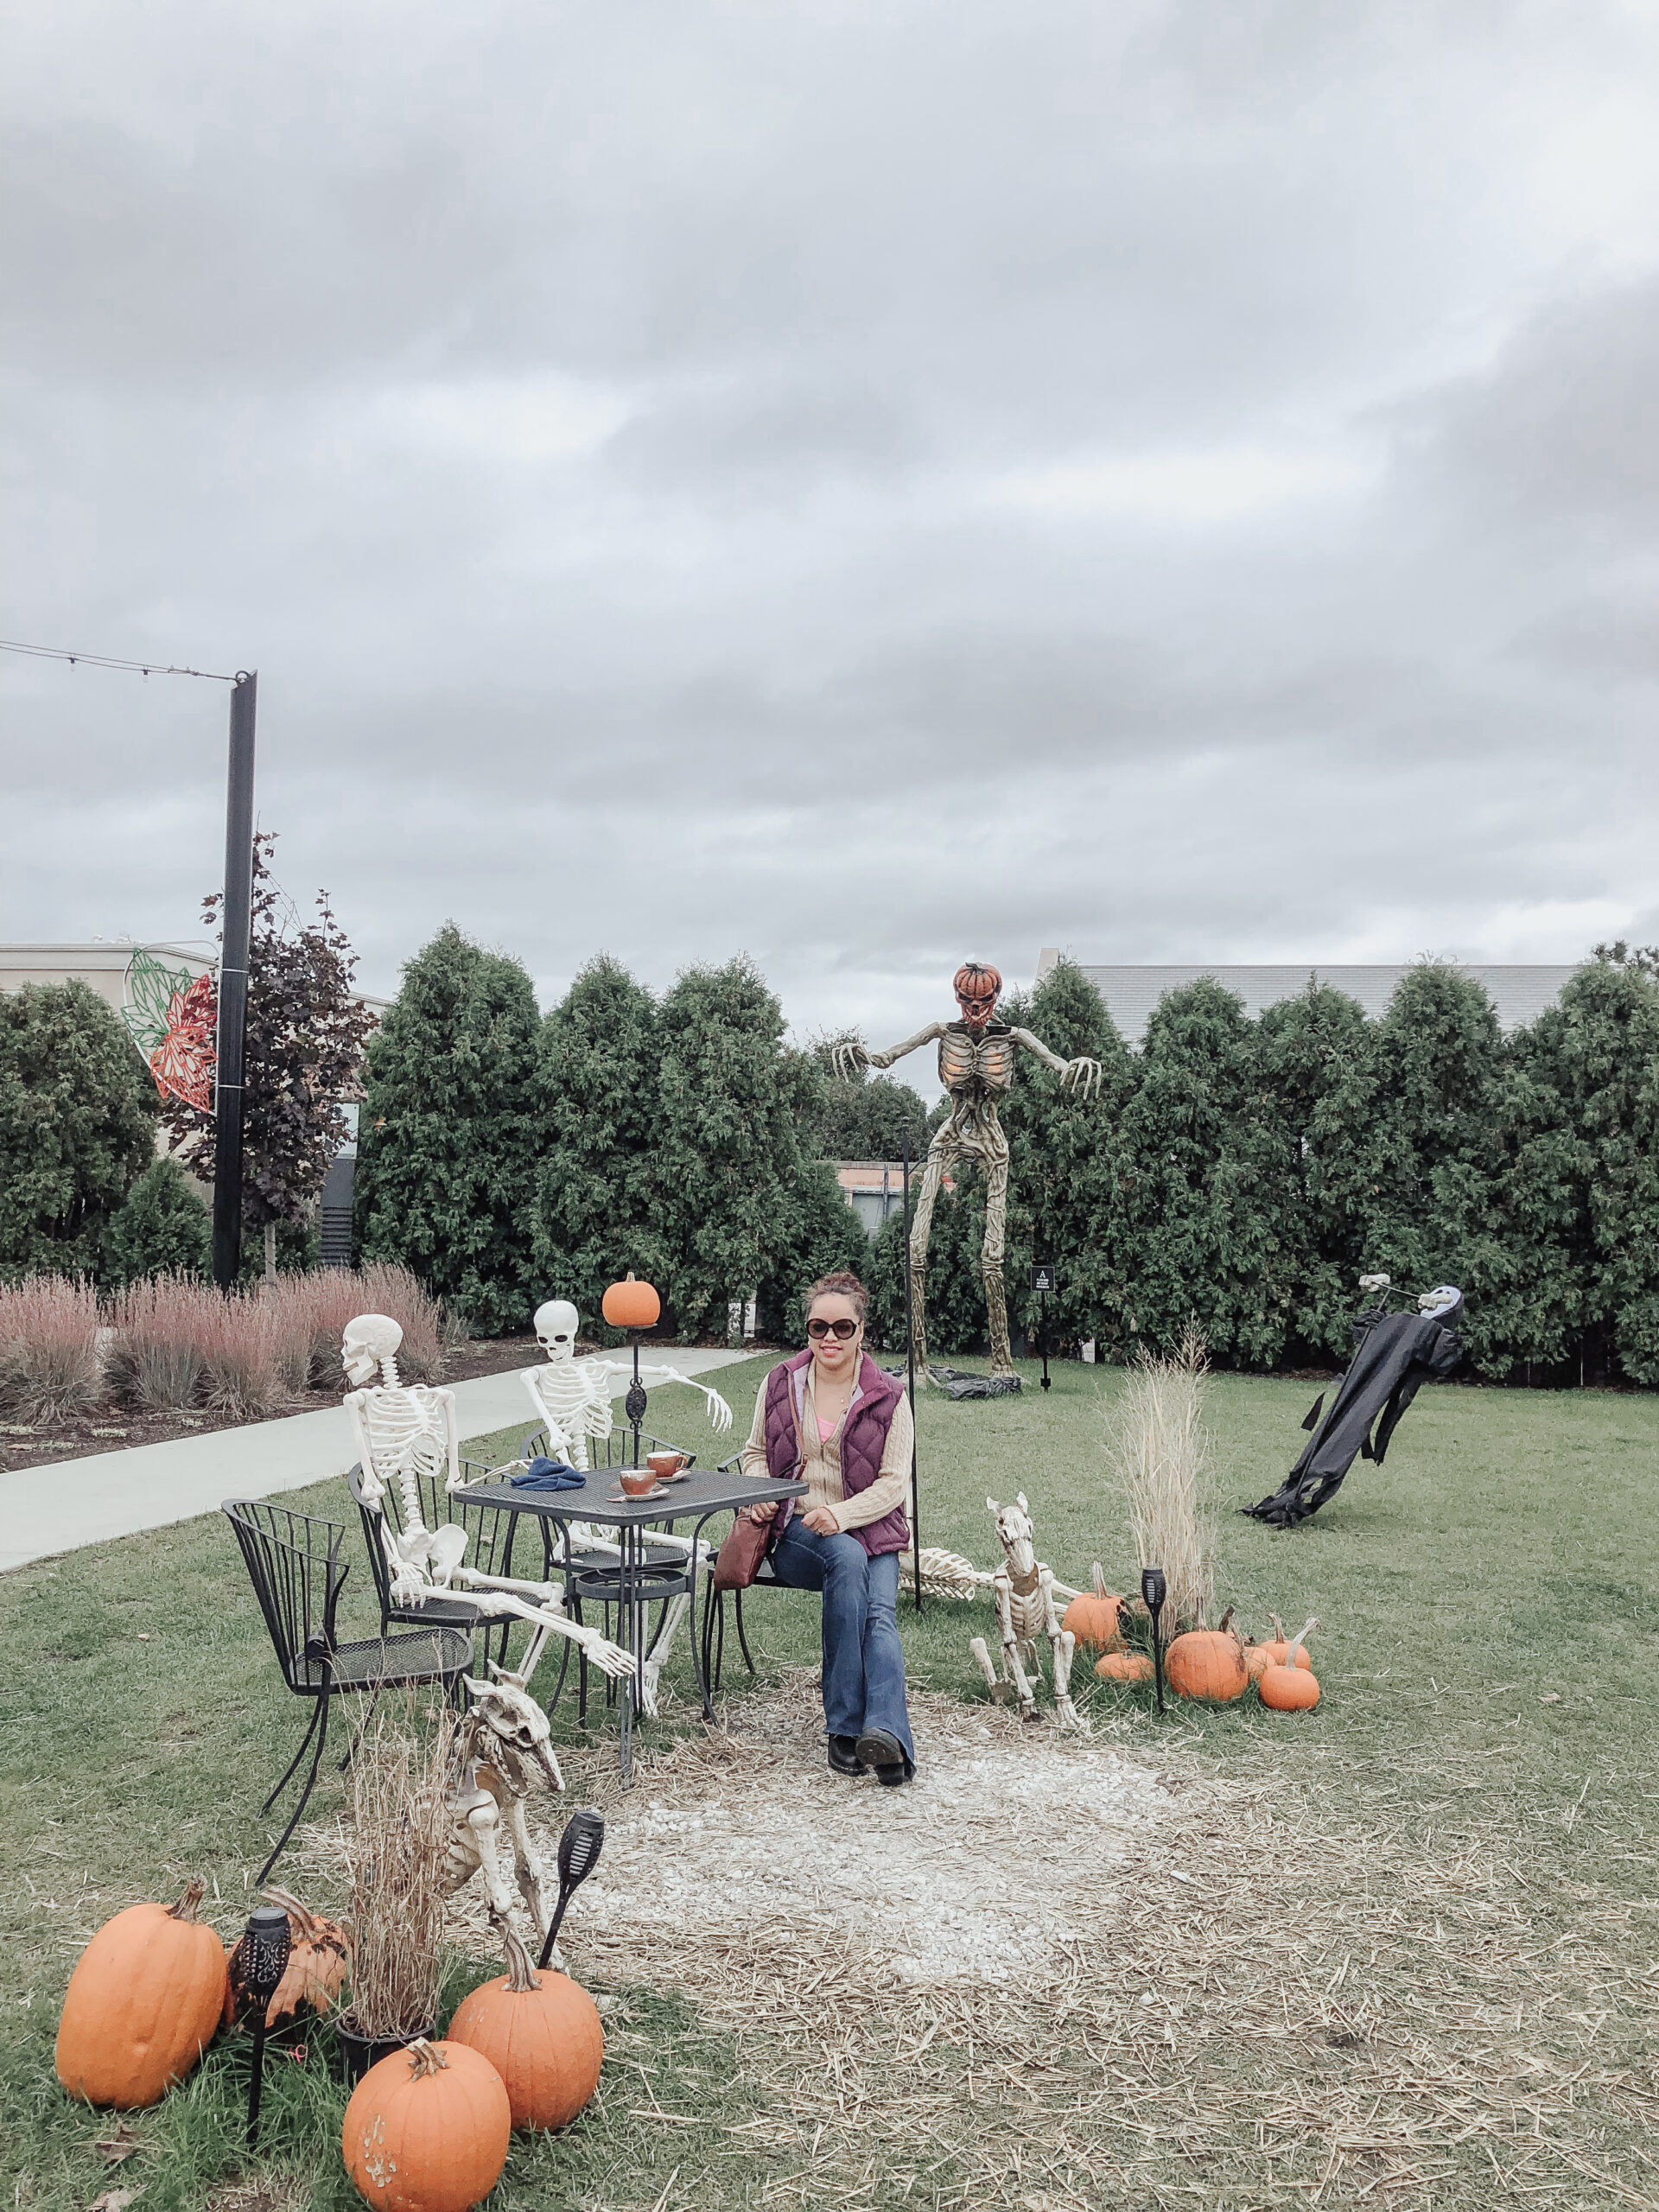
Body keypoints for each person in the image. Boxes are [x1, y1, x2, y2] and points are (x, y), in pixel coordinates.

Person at [740, 1270, 916, 1784]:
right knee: (843, 1557)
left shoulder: (889, 1395)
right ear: (808, 1330)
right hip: (798, 1535)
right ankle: (845, 1726)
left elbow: (892, 1484)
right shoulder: (780, 1381)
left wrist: (842, 1514)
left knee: (879, 1614)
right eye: (819, 1328)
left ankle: (885, 1739)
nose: (830, 1339)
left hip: (870, 1529)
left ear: (862, 1330)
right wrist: (763, 1495)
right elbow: (754, 1453)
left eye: (842, 1327)